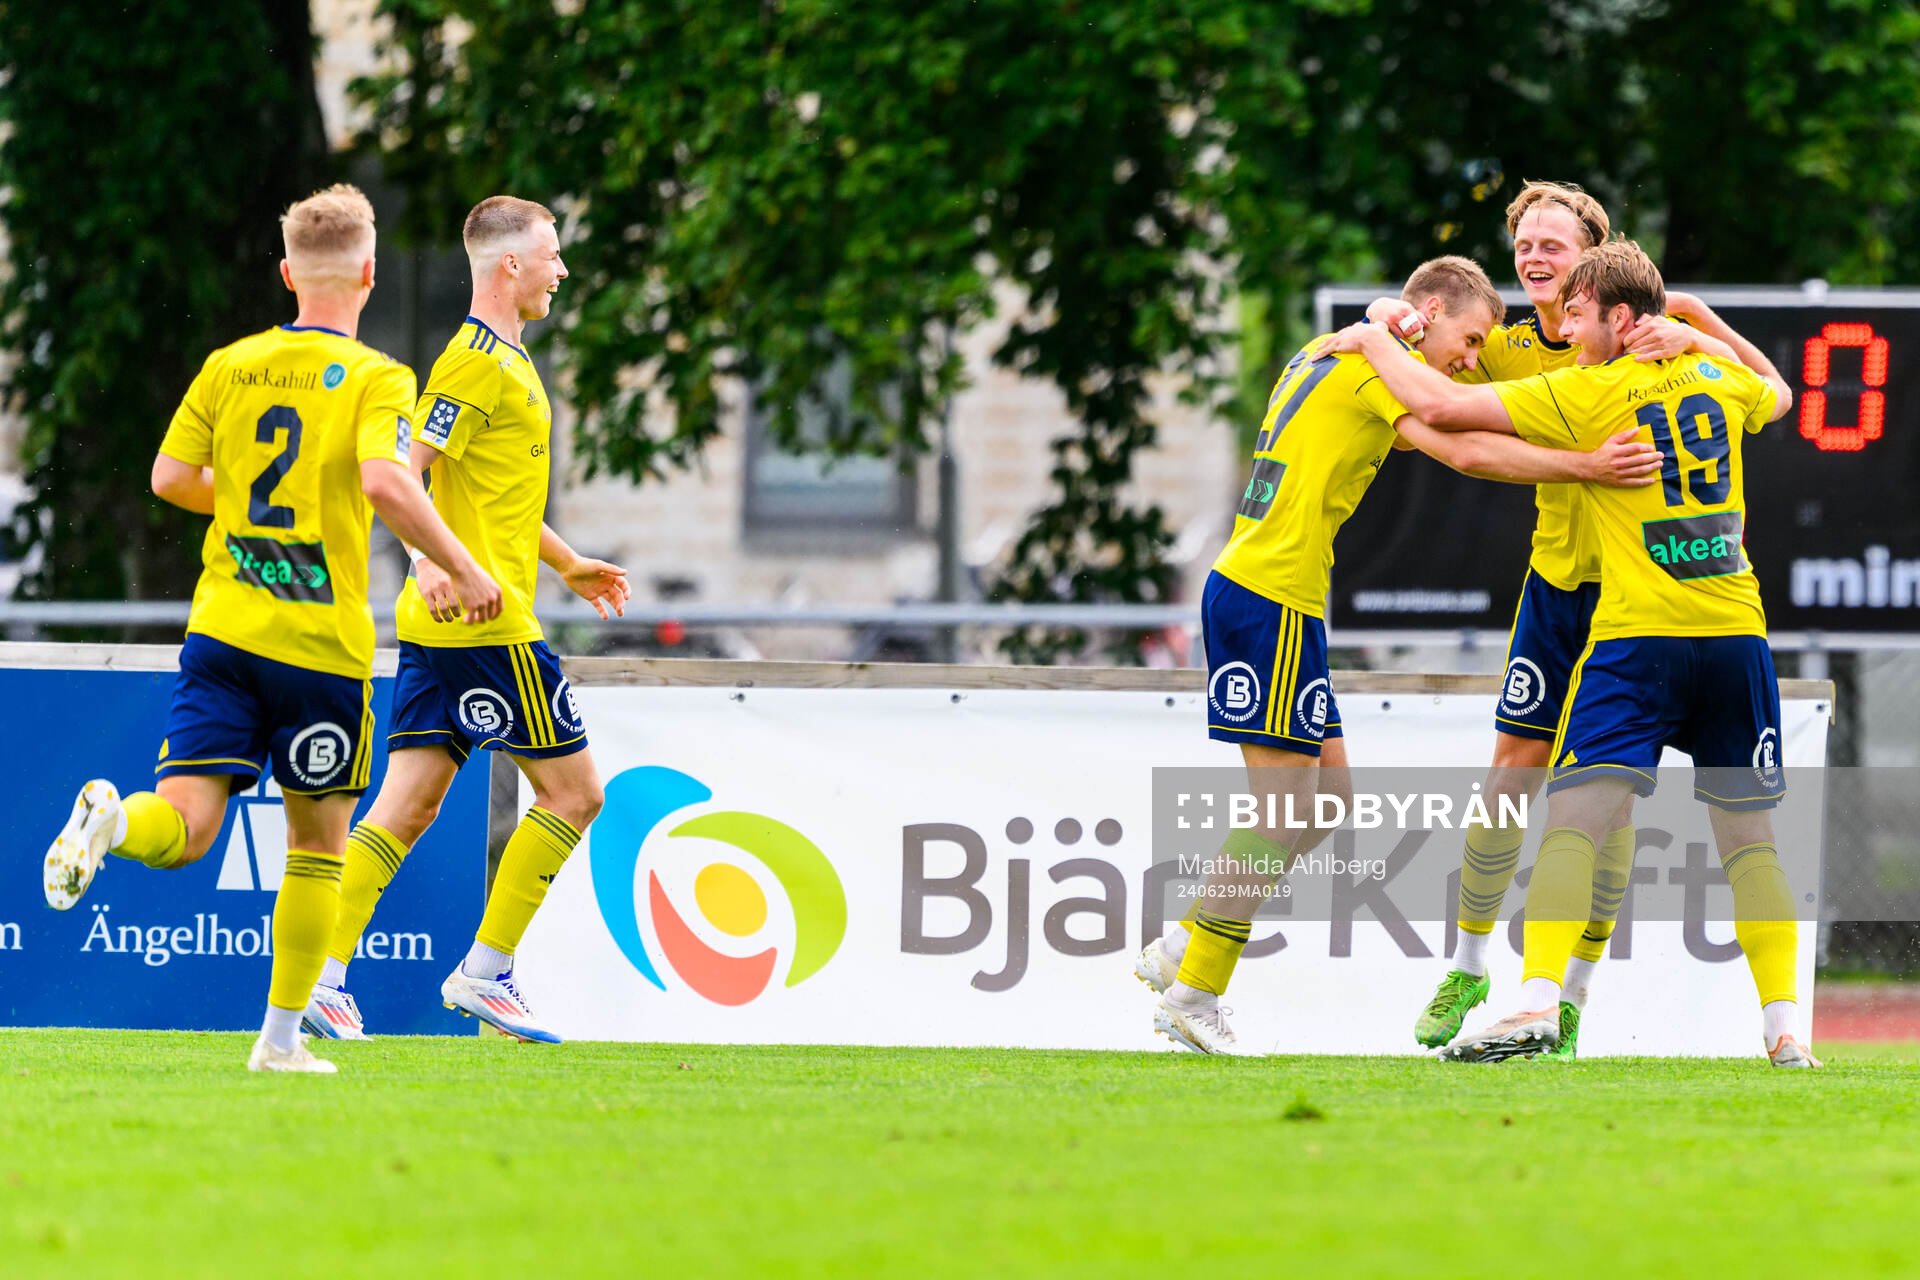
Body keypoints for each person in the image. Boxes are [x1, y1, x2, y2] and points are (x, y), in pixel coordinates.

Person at [1133, 255, 1661, 1054]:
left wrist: (1386, 326)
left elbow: (1438, 413)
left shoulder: (1328, 349)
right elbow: (1464, 448)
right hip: (1264, 595)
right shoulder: (1378, 360)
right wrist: (1587, 465)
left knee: (1327, 801)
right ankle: (1196, 988)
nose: (1474, 356)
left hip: (1285, 599)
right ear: (1432, 310)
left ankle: (1186, 940)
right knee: (1281, 811)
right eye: (1472, 336)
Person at [40, 184, 502, 1072]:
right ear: (369, 273)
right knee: (319, 847)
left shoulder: (230, 365)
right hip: (315, 645)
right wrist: (461, 564)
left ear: (287, 273)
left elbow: (171, 476)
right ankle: (280, 1043)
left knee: (183, 825)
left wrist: (252, 509)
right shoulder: (378, 378)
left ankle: (111, 824)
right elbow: (385, 483)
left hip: (221, 629)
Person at [1326, 239, 1818, 1066]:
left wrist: (1373, 339)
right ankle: (1785, 1032)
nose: (1568, 327)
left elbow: (1446, 414)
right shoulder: (1718, 382)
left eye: (1583, 315)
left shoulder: (1592, 390)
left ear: (1621, 319)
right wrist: (1700, 331)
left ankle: (1536, 1001)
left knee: (1572, 824)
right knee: (1752, 844)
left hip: (1639, 640)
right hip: (1738, 634)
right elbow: (1780, 390)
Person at [303, 196, 630, 1045]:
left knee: (405, 806)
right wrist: (431, 560)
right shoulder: (476, 361)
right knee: (576, 793)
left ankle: (320, 977)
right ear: (510, 266)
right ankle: (486, 972)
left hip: (440, 626)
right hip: (489, 627)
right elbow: (406, 470)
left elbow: (485, 497)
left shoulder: (503, 360)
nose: (563, 270)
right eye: (552, 255)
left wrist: (568, 562)